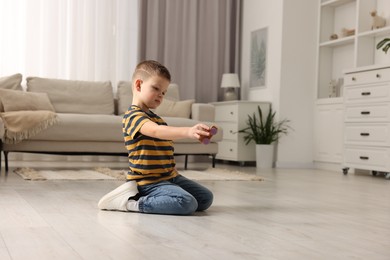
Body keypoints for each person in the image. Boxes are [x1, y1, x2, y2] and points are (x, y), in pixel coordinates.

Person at [98, 60, 214, 215]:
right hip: (148, 182)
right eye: (156, 88)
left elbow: (162, 146)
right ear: (138, 85)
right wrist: (188, 131)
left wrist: (172, 168)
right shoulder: (133, 116)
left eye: (164, 92)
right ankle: (131, 203)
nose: (161, 95)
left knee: (206, 198)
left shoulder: (157, 119)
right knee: (187, 202)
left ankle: (167, 194)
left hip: (169, 177)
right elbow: (156, 132)